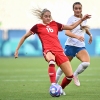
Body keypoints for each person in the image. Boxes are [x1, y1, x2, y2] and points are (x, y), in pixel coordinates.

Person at [14, 8, 91, 95]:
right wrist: (17, 49)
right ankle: (53, 85)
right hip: (48, 50)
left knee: (69, 76)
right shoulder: (37, 27)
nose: (48, 18)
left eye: (49, 16)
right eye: (46, 16)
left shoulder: (55, 24)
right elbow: (24, 37)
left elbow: (71, 27)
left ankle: (60, 89)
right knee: (51, 61)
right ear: (41, 17)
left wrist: (82, 19)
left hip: (59, 51)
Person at [56, 2, 92, 88]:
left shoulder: (84, 18)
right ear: (73, 9)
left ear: (81, 9)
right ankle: (54, 85)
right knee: (62, 67)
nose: (78, 10)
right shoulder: (71, 19)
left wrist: (90, 34)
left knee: (86, 63)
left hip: (80, 46)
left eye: (79, 8)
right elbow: (67, 32)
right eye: (76, 8)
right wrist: (77, 37)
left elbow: (83, 27)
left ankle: (75, 75)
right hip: (70, 46)